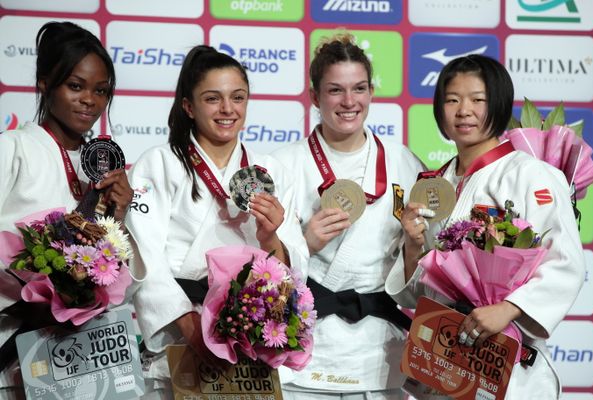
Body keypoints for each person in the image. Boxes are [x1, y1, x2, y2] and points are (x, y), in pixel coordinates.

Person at [385, 54, 585, 399]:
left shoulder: (531, 175)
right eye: (452, 100)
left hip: (506, 361)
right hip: (445, 360)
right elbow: (417, 295)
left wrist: (507, 309)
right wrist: (413, 246)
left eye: (477, 100)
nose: (464, 111)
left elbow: (565, 264)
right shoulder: (436, 184)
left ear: (498, 103)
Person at [126, 45, 308, 398]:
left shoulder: (271, 170)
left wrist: (271, 238)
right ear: (189, 106)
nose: (228, 109)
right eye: (213, 98)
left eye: (238, 97)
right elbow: (142, 254)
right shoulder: (159, 163)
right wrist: (192, 327)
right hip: (182, 336)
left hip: (250, 340)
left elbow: (294, 266)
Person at [272, 33, 424, 399]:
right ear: (314, 96)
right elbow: (259, 268)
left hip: (379, 353)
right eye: (335, 90)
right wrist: (303, 243)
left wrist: (415, 246)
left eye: (359, 88)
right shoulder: (282, 165)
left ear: (372, 91)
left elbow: (419, 271)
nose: (349, 101)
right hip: (305, 351)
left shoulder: (404, 162)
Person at [0, 21, 135, 400]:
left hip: (87, 352)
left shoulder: (106, 167)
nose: (89, 100)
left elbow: (119, 272)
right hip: (14, 337)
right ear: (45, 83)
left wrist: (120, 214)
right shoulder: (13, 148)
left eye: (101, 90)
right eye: (75, 86)